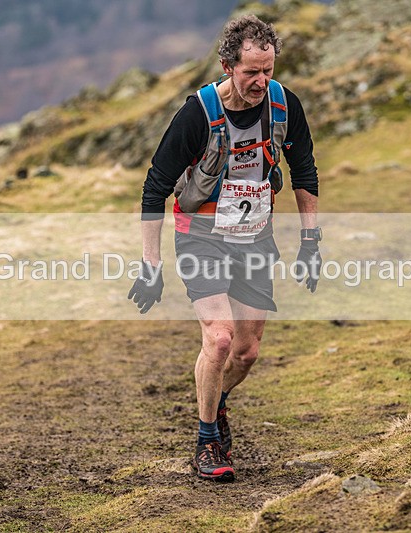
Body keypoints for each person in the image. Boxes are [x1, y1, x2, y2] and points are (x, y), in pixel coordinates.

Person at [128, 14, 321, 482]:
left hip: (255, 237)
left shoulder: (284, 105)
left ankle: (216, 403)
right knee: (219, 339)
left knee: (246, 352)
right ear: (227, 66)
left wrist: (311, 242)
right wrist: (150, 265)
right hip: (202, 236)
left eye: (268, 70)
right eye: (251, 72)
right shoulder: (197, 114)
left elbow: (304, 171)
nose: (261, 81)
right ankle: (207, 440)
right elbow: (155, 189)